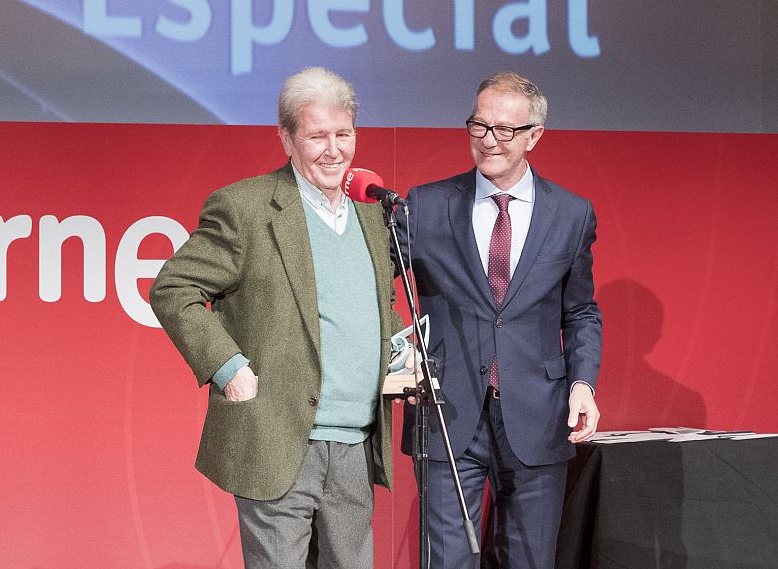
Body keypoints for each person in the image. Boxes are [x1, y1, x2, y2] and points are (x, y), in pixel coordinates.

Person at [149, 66, 403, 569]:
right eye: (317, 136)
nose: (333, 150)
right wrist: (227, 367)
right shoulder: (245, 208)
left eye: (343, 135)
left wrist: (404, 350)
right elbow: (173, 288)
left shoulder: (374, 215)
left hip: (356, 443)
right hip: (278, 438)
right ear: (286, 139)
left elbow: (373, 308)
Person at [397, 71, 602, 568]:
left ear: (534, 136)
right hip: (448, 410)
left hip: (539, 412)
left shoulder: (571, 214)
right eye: (479, 126)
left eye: (505, 130)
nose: (489, 141)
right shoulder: (425, 204)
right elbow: (377, 286)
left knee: (529, 560)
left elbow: (579, 310)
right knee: (447, 560)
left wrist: (583, 382)